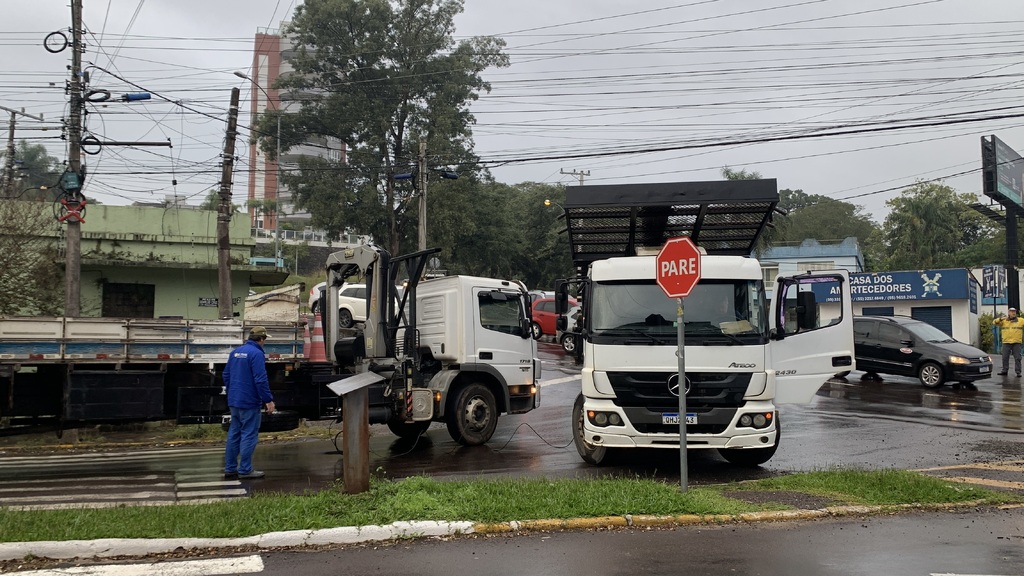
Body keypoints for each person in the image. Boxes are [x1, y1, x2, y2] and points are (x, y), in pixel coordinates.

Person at [222, 326, 275, 479]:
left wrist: (233, 392)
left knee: (234, 433)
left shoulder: (235, 353)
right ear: (262, 339)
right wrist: (268, 400)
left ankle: (230, 468)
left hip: (234, 400)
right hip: (249, 401)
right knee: (249, 434)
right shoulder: (257, 354)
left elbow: (226, 375)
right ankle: (245, 469)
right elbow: (260, 379)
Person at [994, 308, 1024, 377]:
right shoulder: (1004, 321)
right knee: (1005, 357)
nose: (1013, 313)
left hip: (1016, 342)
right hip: (1006, 342)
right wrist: (1001, 319)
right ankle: (1004, 370)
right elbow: (994, 322)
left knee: (1018, 358)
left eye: (1014, 312)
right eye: (1011, 312)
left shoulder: (1020, 320)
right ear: (1008, 313)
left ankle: (1018, 372)